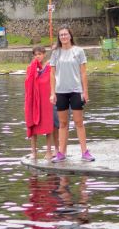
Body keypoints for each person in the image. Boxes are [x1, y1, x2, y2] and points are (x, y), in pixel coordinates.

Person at [48, 26, 94, 162]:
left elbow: (83, 73)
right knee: (62, 123)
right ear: (59, 37)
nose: (63, 37)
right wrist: (52, 93)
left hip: (76, 90)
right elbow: (52, 73)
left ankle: (85, 151)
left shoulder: (78, 51)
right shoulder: (56, 53)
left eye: (66, 34)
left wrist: (85, 91)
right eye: (61, 35)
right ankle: (61, 152)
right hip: (60, 91)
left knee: (79, 122)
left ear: (70, 35)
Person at [24, 46, 56, 161]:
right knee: (33, 126)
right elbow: (28, 83)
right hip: (33, 101)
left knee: (48, 126)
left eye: (40, 54)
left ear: (44, 54)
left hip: (46, 101)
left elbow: (53, 80)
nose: (38, 56)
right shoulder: (31, 68)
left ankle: (49, 151)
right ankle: (33, 151)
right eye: (36, 54)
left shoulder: (49, 67)